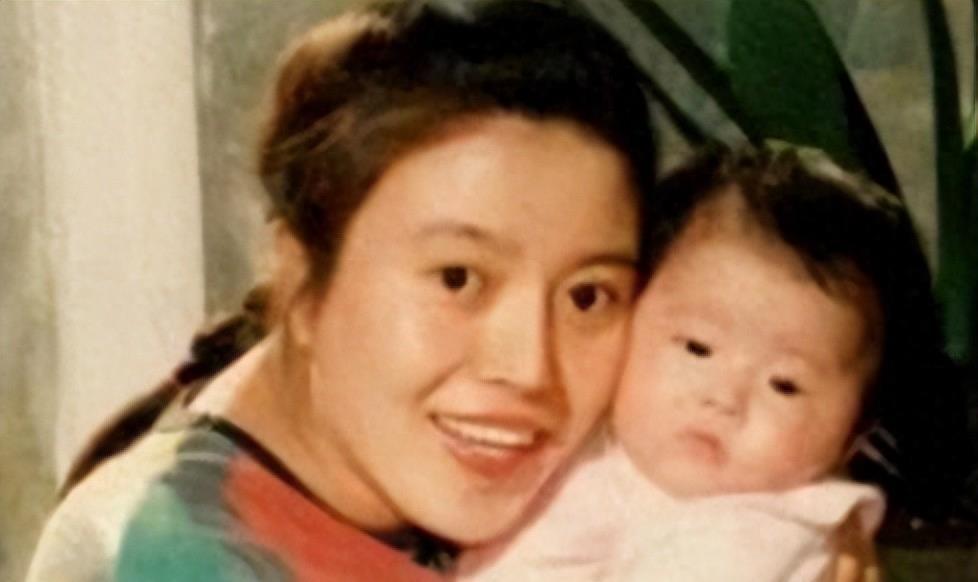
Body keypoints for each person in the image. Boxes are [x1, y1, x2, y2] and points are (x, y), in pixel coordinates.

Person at [26, 1, 658, 580]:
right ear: (302, 279)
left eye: (587, 296)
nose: (529, 369)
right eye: (458, 279)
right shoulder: (173, 556)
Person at [457, 144, 944, 581]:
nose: (723, 399)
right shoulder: (593, 440)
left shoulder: (759, 535)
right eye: (696, 348)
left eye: (784, 385)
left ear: (852, 437)